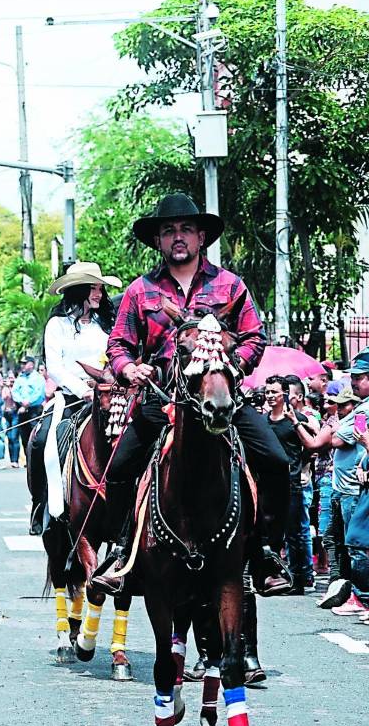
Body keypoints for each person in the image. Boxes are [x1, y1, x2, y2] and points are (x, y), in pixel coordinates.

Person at [92, 193, 291, 595]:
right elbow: (119, 345)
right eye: (168, 231)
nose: (177, 237)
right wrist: (129, 368)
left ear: (201, 237)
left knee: (275, 459)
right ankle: (119, 550)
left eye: (185, 229)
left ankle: (266, 552)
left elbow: (255, 337)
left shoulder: (231, 285)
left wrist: (233, 368)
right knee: (118, 470)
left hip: (222, 399)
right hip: (162, 400)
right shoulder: (139, 291)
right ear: (159, 241)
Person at [27, 262, 122, 529]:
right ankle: (40, 504)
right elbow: (55, 367)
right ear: (78, 290)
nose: (99, 294)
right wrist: (82, 390)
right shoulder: (57, 326)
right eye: (94, 288)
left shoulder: (106, 326)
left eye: (100, 289)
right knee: (41, 440)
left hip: (108, 397)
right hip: (71, 398)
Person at [319, 354, 369, 613]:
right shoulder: (362, 408)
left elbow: (343, 439)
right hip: (343, 487)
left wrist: (340, 429)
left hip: (352, 489)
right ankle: (350, 592)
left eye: (359, 377)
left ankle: (361, 598)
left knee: (357, 543)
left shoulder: (363, 411)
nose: (355, 382)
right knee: (338, 539)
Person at [263, 375, 315, 593]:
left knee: (294, 533)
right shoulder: (262, 421)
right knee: (269, 533)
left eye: (275, 392)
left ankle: (298, 579)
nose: (271, 396)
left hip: (291, 483)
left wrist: (299, 468)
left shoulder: (297, 419)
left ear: (284, 393)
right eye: (268, 392)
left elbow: (311, 447)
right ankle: (273, 576)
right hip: (266, 484)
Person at [12, 356, 46, 467]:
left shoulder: (38, 378)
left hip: (34, 410)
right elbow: (14, 392)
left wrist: (29, 402)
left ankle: (38, 461)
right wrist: (22, 401)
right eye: (21, 363)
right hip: (22, 409)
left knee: (35, 436)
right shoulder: (20, 378)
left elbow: (39, 394)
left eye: (24, 363)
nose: (22, 365)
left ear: (31, 364)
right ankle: (29, 461)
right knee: (24, 437)